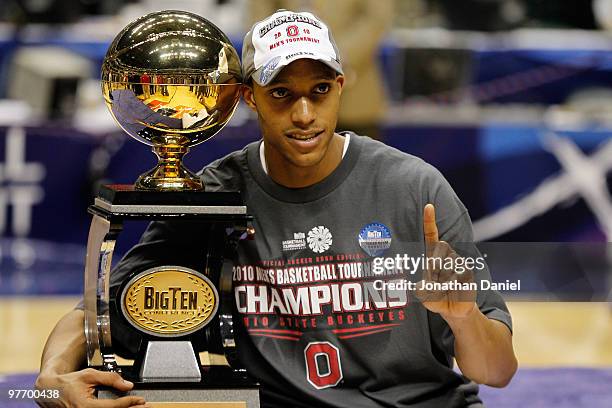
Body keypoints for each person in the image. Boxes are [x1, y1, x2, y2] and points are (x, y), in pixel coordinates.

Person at [36, 10, 517, 408]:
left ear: (341, 87)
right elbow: (97, 313)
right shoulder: (217, 196)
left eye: (319, 91)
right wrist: (51, 377)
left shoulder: (417, 188)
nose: (304, 114)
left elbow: (496, 371)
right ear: (249, 97)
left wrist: (462, 318)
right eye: (282, 93)